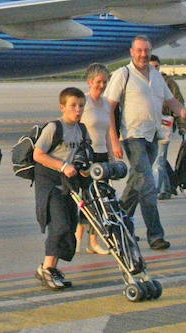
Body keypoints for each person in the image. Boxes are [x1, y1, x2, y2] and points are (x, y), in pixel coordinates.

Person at [108, 36, 186, 251]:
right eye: (139, 50)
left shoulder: (156, 76)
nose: (143, 54)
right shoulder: (123, 74)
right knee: (147, 187)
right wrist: (113, 141)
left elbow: (171, 100)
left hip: (153, 136)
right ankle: (155, 236)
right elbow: (109, 108)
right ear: (131, 52)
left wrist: (185, 113)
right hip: (132, 136)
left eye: (146, 50)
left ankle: (116, 225)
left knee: (136, 185)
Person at [30, 87, 90, 290]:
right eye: (73, 105)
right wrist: (63, 166)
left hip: (68, 184)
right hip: (50, 183)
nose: (78, 110)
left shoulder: (81, 129)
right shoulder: (55, 128)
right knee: (59, 225)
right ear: (62, 107)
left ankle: (50, 268)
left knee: (69, 227)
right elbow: (38, 155)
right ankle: (46, 269)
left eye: (81, 105)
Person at [76, 64, 118, 254]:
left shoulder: (106, 104)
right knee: (87, 198)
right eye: (98, 82)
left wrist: (111, 154)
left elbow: (108, 131)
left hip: (102, 155)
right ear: (90, 82)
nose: (101, 85)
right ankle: (79, 236)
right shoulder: (83, 102)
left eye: (104, 82)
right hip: (87, 154)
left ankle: (92, 241)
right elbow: (74, 128)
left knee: (100, 198)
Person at [149, 55, 186, 200]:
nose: (153, 69)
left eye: (156, 67)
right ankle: (169, 185)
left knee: (159, 158)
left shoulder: (168, 83)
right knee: (156, 158)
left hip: (165, 125)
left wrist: (182, 124)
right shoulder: (140, 83)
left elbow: (179, 103)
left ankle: (159, 190)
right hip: (146, 127)